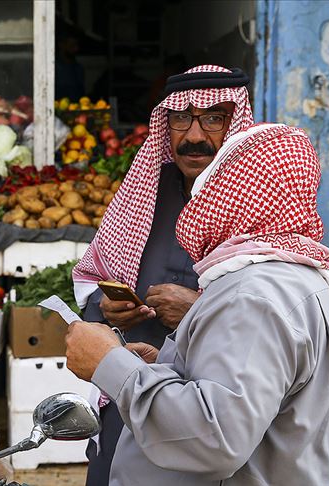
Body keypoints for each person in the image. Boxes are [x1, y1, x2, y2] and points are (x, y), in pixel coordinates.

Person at [66, 105, 329, 482]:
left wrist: (110, 364)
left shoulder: (256, 294)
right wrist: (170, 365)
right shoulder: (299, 278)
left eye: (220, 181)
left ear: (241, 194)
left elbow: (215, 439)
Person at [71, 65, 254, 485]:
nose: (193, 135)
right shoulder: (146, 190)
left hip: (216, 412)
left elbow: (281, 309)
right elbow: (91, 274)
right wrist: (106, 306)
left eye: (212, 118)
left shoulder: (260, 202)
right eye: (179, 118)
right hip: (130, 396)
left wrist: (198, 312)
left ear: (238, 122)